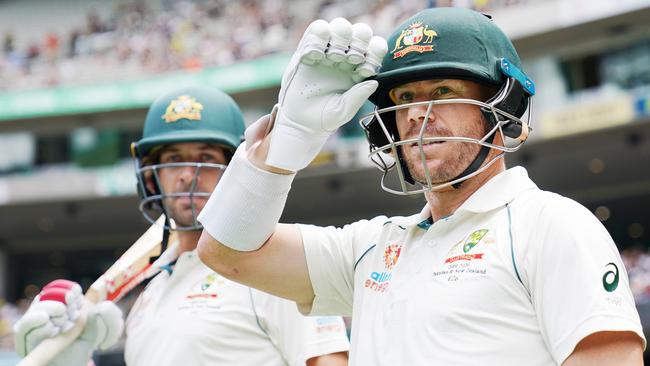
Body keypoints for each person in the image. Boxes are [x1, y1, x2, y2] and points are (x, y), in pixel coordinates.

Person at [195, 8, 646, 366]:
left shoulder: (551, 224)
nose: (416, 115)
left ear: (501, 104)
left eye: (443, 90)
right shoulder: (371, 247)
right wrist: (287, 142)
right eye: (405, 98)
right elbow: (226, 254)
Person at [14, 86, 350, 366]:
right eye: (173, 160)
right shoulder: (153, 290)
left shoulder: (276, 266)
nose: (188, 174)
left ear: (235, 167)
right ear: (152, 176)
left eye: (205, 158)